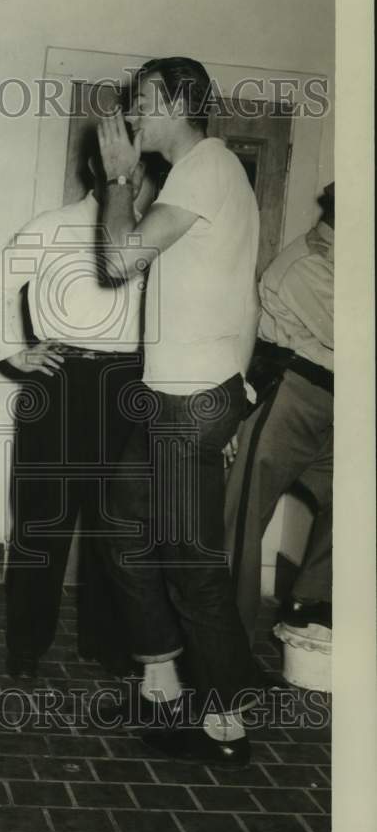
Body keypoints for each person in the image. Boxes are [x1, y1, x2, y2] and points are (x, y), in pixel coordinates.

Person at [93, 57, 264, 767]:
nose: (131, 116)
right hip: (190, 398)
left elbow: (119, 259)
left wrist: (114, 177)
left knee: (191, 566)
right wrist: (239, 390)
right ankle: (161, 681)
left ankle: (227, 726)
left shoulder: (206, 168)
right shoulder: (200, 176)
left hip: (188, 404)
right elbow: (239, 291)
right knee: (125, 525)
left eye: (140, 103)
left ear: (169, 101)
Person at [0, 144, 157, 682]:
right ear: (99, 169)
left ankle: (106, 643)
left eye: (139, 165)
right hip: (59, 381)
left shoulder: (149, 236)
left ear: (142, 173)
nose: (130, 173)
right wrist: (14, 351)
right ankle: (26, 645)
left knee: (117, 523)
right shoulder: (52, 226)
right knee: (41, 522)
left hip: (128, 385)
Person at [225, 183, 334, 645]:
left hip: (333, 400)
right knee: (243, 522)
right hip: (290, 394)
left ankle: (309, 605)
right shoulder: (305, 263)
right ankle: (227, 646)